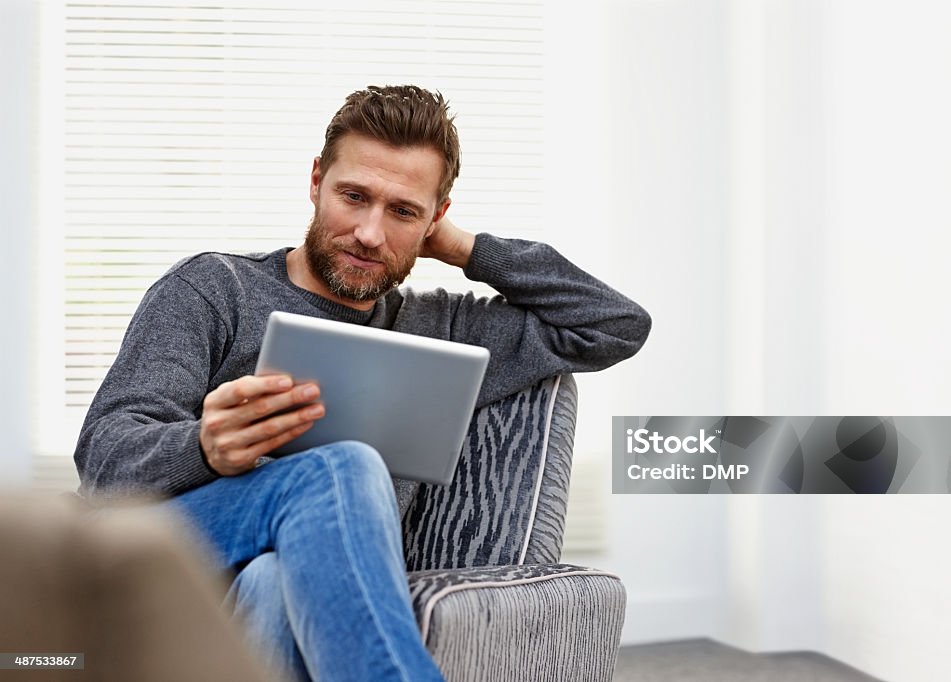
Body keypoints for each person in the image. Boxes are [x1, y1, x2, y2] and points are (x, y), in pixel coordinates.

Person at [75, 84, 651, 681]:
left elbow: (614, 324)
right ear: (316, 181)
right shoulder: (214, 289)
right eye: (354, 197)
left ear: (436, 219)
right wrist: (203, 447)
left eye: (403, 211)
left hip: (284, 590)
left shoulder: (439, 327)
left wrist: (467, 250)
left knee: (276, 582)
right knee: (339, 467)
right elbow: (103, 463)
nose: (371, 233)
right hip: (168, 560)